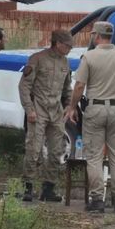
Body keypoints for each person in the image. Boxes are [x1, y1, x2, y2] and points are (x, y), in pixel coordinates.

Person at [65, 22, 115, 214]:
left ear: (96, 35)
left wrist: (72, 107)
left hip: (94, 109)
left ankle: (97, 199)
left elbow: (80, 85)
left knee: (95, 157)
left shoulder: (89, 57)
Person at [18, 29, 74, 203]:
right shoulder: (37, 59)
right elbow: (24, 87)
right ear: (57, 43)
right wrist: (29, 109)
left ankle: (48, 188)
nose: (70, 49)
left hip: (55, 111)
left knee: (57, 150)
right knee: (33, 149)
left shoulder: (65, 62)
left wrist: (69, 106)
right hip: (38, 109)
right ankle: (28, 186)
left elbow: (67, 88)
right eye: (67, 45)